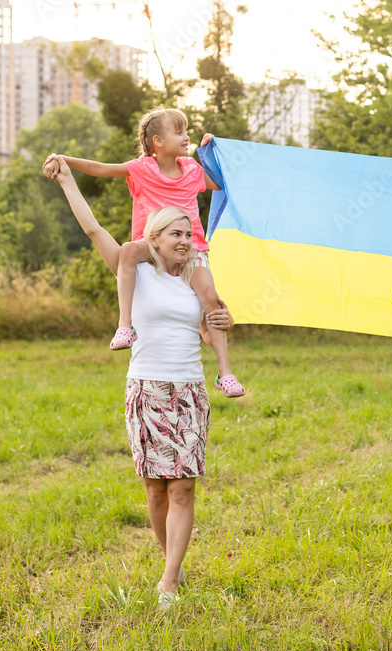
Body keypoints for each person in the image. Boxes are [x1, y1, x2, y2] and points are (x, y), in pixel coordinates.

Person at [49, 155, 220, 609]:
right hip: (145, 389)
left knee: (183, 486)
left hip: (187, 390)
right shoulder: (134, 271)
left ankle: (166, 584)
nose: (185, 241)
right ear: (155, 239)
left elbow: (215, 326)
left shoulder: (197, 278)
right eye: (175, 235)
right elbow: (93, 230)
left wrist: (222, 319)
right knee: (155, 488)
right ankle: (174, 567)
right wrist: (68, 180)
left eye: (188, 234)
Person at [43, 107, 245, 397]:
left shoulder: (192, 169)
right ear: (158, 142)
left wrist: (210, 153)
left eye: (187, 131)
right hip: (149, 245)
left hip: (194, 247)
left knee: (211, 298)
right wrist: (65, 162)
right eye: (179, 132)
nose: (186, 137)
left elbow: (222, 185)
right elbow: (101, 168)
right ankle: (125, 325)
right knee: (127, 251)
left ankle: (225, 372)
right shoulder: (142, 169)